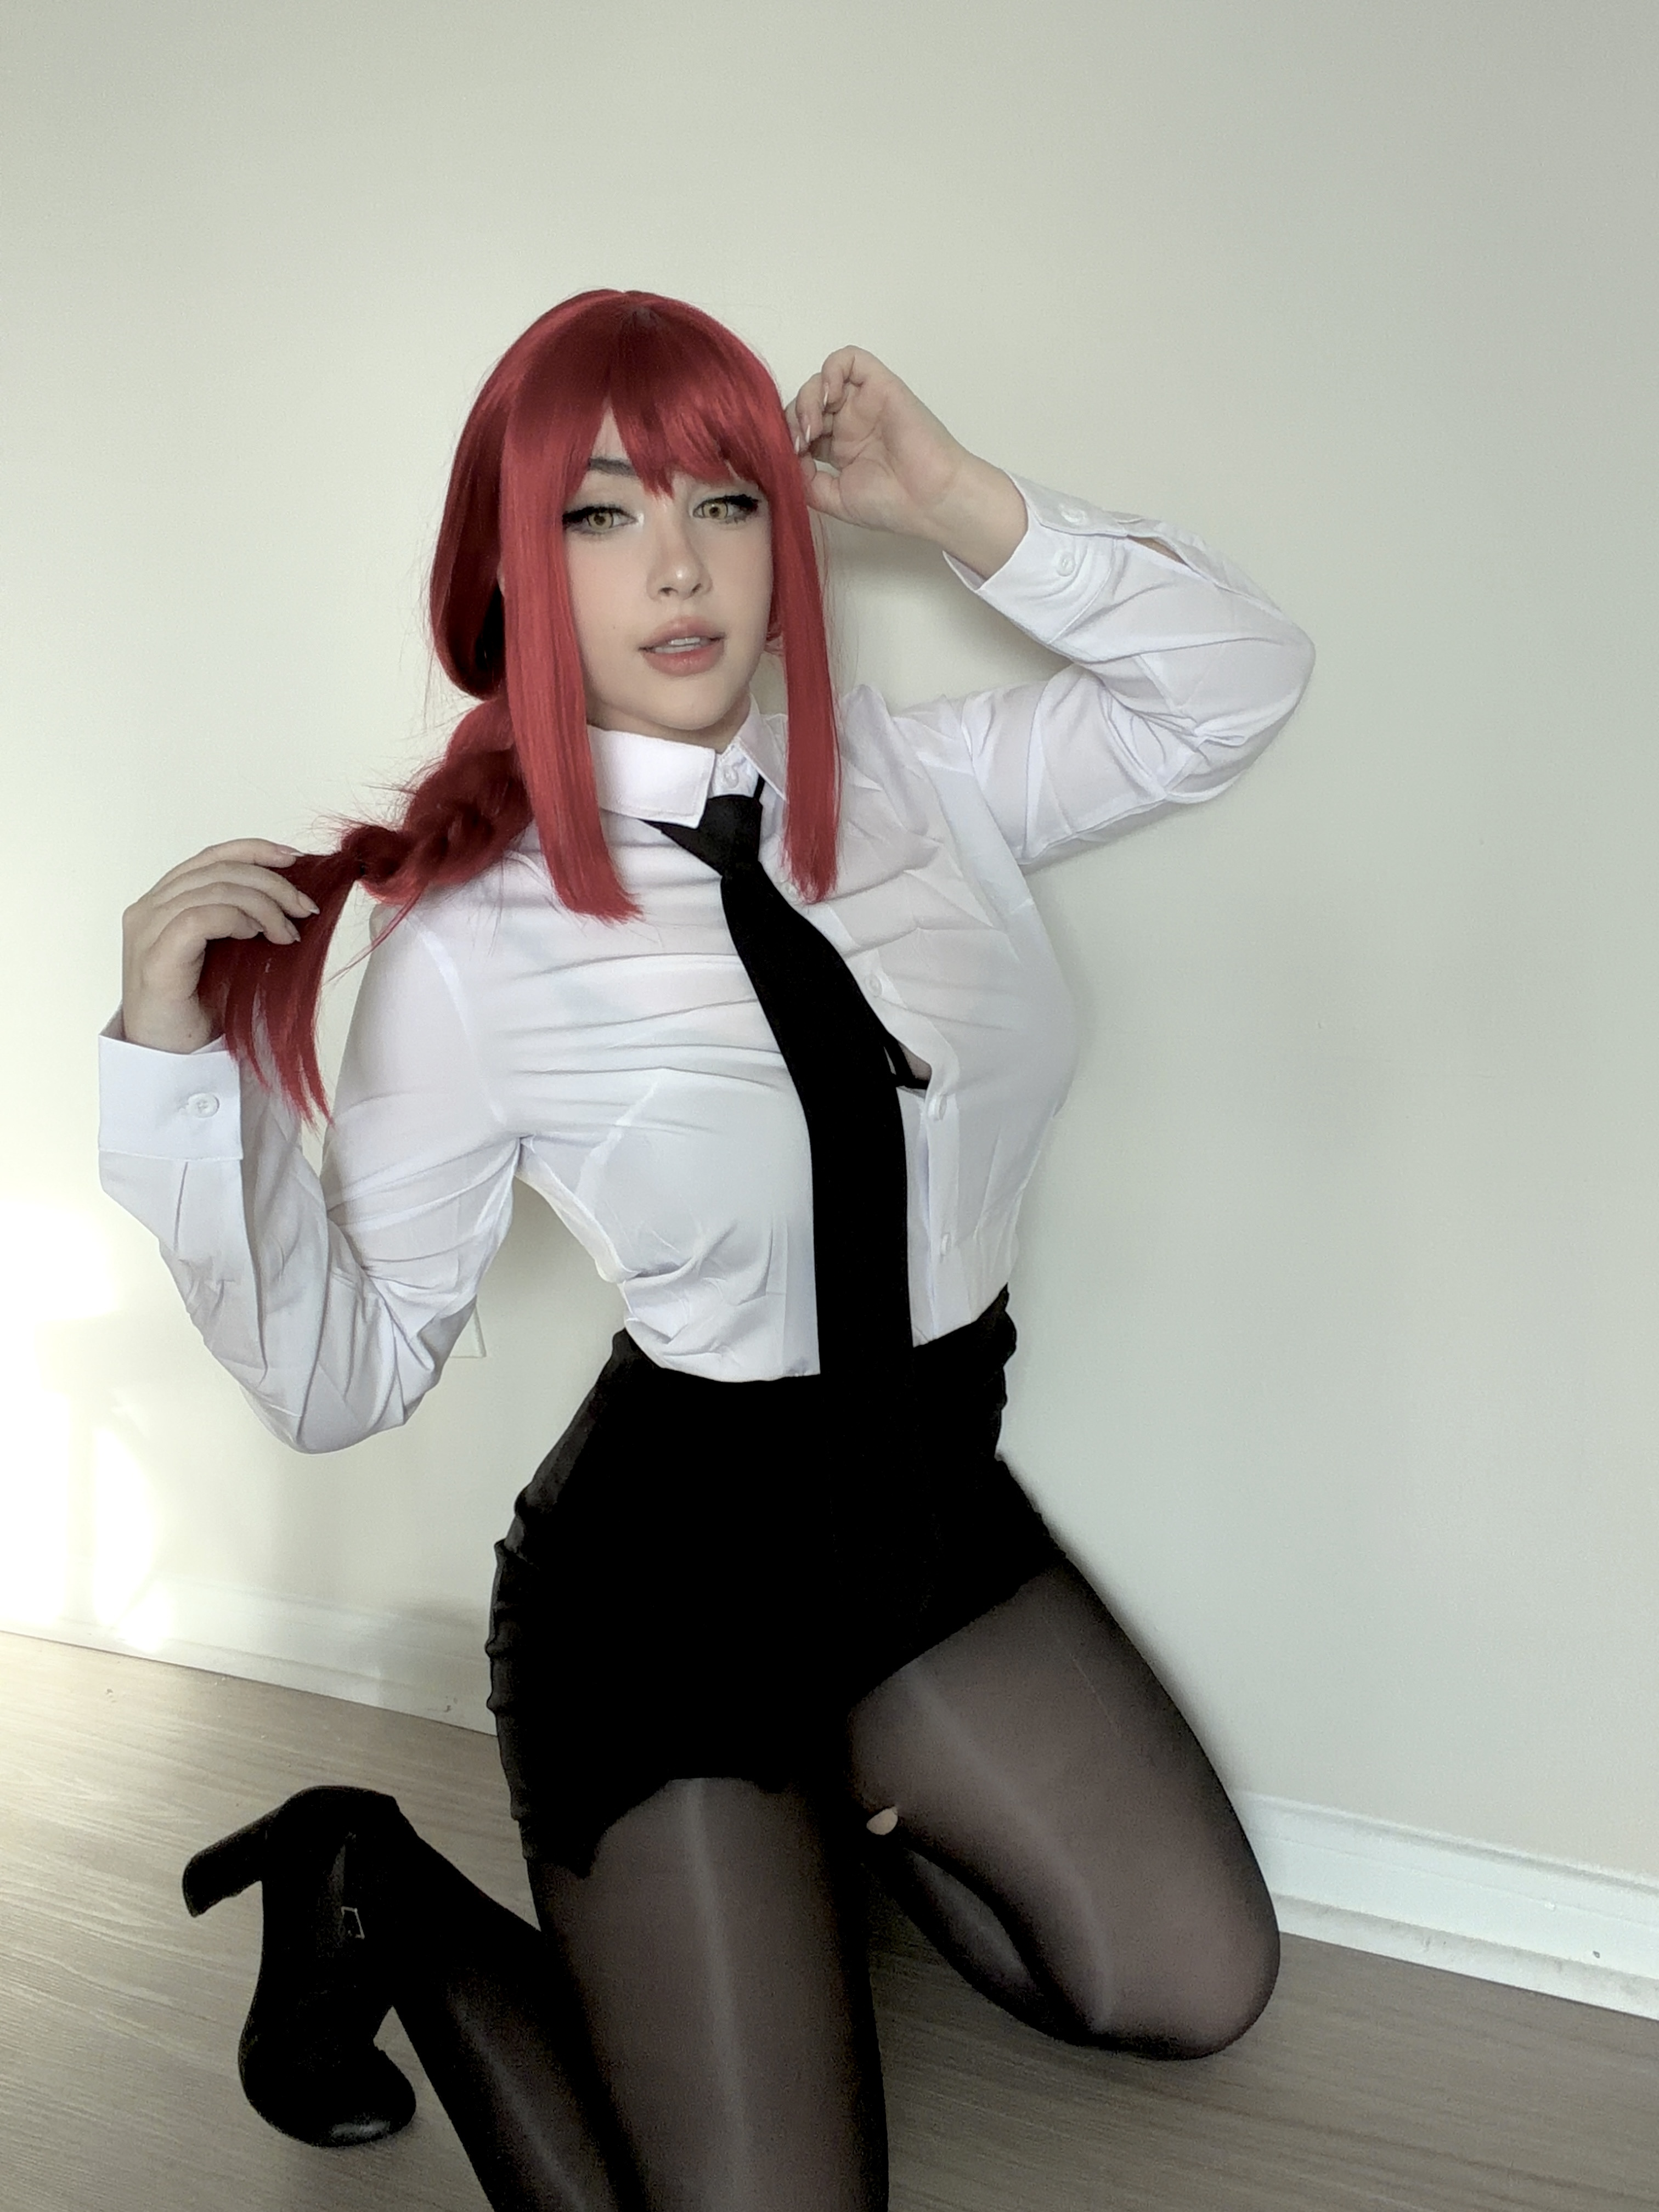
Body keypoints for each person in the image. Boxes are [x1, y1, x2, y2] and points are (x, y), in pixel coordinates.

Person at [100, 289, 1315, 2212]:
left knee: (1196, 1983)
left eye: (724, 501)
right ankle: (372, 1886)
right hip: (664, 1611)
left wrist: (955, 497)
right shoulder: (471, 949)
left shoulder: (923, 783)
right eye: (599, 515)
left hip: (928, 1533)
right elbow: (343, 1382)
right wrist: (177, 1082)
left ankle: (817, 1827)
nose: (678, 566)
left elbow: (1237, 681)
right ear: (516, 574)